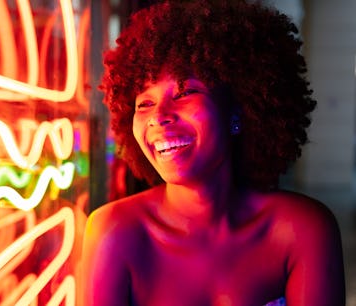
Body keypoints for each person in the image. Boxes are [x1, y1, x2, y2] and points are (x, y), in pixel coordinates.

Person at [80, 0, 346, 305]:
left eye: (184, 93)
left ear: (236, 112)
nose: (158, 116)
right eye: (145, 103)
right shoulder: (114, 232)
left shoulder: (303, 229)